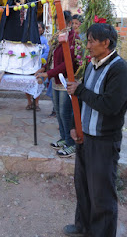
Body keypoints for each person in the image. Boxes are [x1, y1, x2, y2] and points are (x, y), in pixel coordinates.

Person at [63, 23, 127, 237]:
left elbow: (110, 106)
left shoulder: (119, 70)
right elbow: (84, 102)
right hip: (86, 138)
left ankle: (101, 233)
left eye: (92, 41)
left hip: (104, 141)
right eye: (88, 40)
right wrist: (76, 127)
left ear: (106, 43)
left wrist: (80, 90)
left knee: (101, 192)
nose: (88, 45)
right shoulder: (93, 65)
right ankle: (83, 226)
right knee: (83, 186)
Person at [35, 11, 78, 158]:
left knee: (66, 113)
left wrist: (48, 74)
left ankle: (71, 144)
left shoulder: (73, 39)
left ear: (69, 23)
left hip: (66, 81)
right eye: (56, 22)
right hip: (56, 81)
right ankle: (64, 138)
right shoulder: (57, 37)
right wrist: (44, 68)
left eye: (60, 22)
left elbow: (68, 63)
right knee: (59, 113)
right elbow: (52, 56)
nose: (58, 25)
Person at [25, 21, 49, 111]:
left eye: (39, 28)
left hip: (39, 66)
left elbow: (46, 52)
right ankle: (29, 102)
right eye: (36, 27)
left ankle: (36, 103)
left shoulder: (43, 40)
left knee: (38, 83)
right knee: (27, 84)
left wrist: (39, 59)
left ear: (42, 30)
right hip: (29, 65)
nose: (38, 29)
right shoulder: (29, 38)